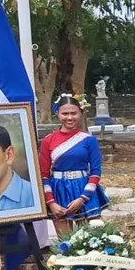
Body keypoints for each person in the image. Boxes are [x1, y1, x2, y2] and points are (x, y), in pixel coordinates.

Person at [39, 94, 108, 233]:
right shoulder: (48, 141)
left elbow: (95, 172)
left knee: (91, 239)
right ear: (57, 113)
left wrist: (82, 199)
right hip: (58, 190)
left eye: (73, 113)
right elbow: (43, 175)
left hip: (83, 190)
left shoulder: (89, 140)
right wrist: (51, 203)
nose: (69, 117)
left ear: (81, 113)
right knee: (65, 243)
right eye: (65, 113)